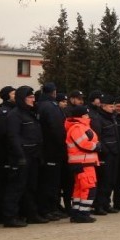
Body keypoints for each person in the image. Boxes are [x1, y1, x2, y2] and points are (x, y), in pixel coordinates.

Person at [3, 86, 48, 227]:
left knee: (31, 187)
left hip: (33, 156)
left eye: (33, 96)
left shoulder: (30, 113)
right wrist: (20, 156)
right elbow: (13, 137)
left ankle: (31, 214)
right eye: (30, 97)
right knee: (16, 188)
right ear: (22, 98)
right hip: (21, 157)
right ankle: (10, 217)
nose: (33, 99)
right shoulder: (14, 115)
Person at [64, 105, 100, 223]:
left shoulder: (79, 126)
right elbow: (83, 144)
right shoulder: (78, 127)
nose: (88, 116)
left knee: (80, 189)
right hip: (83, 163)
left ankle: (77, 212)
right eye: (86, 114)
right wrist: (96, 146)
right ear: (82, 115)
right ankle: (83, 213)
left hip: (83, 162)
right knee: (88, 188)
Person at [36, 82, 67, 220]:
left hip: (43, 148)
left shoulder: (39, 105)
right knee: (51, 182)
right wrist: (63, 143)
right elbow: (56, 129)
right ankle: (48, 209)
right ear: (54, 92)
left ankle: (51, 207)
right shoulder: (51, 107)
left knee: (48, 181)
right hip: (53, 149)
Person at [92, 95, 120, 215]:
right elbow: (98, 137)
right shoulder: (98, 119)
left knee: (111, 181)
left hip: (114, 152)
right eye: (110, 106)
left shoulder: (111, 118)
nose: (113, 108)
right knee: (103, 181)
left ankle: (106, 203)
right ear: (103, 106)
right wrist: (105, 151)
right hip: (105, 155)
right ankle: (98, 205)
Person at [0, 86, 16, 223]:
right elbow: (5, 136)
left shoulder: (13, 110)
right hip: (5, 155)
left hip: (10, 154)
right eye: (13, 93)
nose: (15, 95)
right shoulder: (4, 112)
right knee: (5, 186)